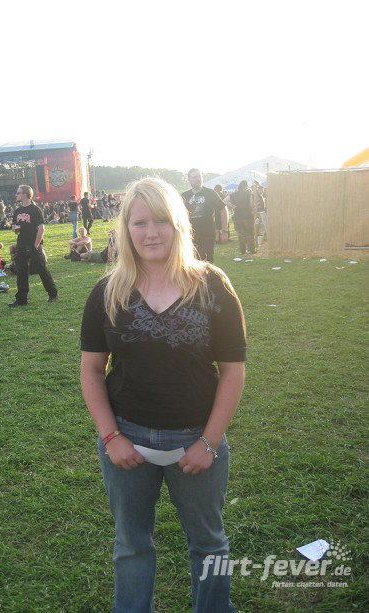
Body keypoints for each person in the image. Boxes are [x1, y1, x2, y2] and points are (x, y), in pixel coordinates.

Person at [80, 177, 246, 612]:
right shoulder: (107, 292)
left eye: (161, 221)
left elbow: (232, 371)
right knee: (131, 544)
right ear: (125, 229)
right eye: (139, 223)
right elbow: (92, 371)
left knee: (208, 542)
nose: (150, 233)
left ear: (178, 225)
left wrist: (209, 442)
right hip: (127, 438)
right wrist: (111, 438)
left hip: (196, 437)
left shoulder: (212, 285)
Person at [8, 185, 58, 307]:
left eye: (18, 193)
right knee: (21, 272)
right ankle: (21, 299)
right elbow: (15, 228)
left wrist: (36, 245)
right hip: (21, 244)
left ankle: (53, 294)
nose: (16, 195)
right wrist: (15, 228)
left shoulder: (35, 209)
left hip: (33, 245)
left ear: (26, 194)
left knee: (42, 270)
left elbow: (41, 228)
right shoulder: (18, 211)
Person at [181, 169, 229, 262]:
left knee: (207, 261)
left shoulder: (210, 193)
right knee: (191, 261)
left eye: (199, 176)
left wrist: (224, 231)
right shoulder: (184, 196)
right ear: (189, 179)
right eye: (194, 177)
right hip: (189, 235)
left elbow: (223, 210)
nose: (198, 179)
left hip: (207, 234)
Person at [229, 181, 256, 255]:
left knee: (240, 234)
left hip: (237, 217)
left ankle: (242, 251)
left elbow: (224, 201)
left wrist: (233, 206)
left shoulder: (233, 194)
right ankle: (251, 250)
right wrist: (254, 212)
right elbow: (252, 205)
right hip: (247, 216)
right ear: (245, 186)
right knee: (249, 234)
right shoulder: (249, 194)